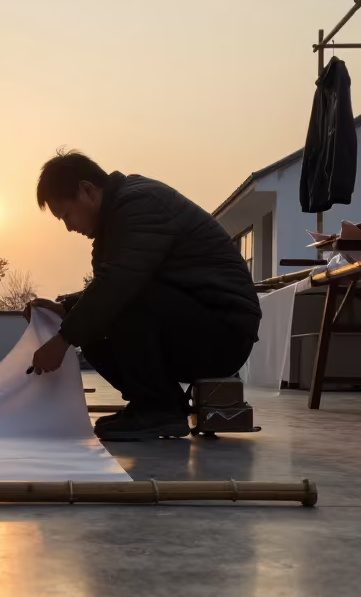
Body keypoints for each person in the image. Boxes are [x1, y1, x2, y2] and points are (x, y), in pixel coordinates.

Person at [28, 151, 261, 441]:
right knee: (93, 332)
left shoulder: (140, 204)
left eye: (66, 215)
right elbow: (116, 279)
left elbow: (121, 283)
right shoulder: (118, 216)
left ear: (86, 190)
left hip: (224, 332)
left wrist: (62, 339)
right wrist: (65, 308)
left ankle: (159, 410)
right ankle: (154, 406)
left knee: (119, 302)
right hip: (196, 322)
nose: (69, 227)